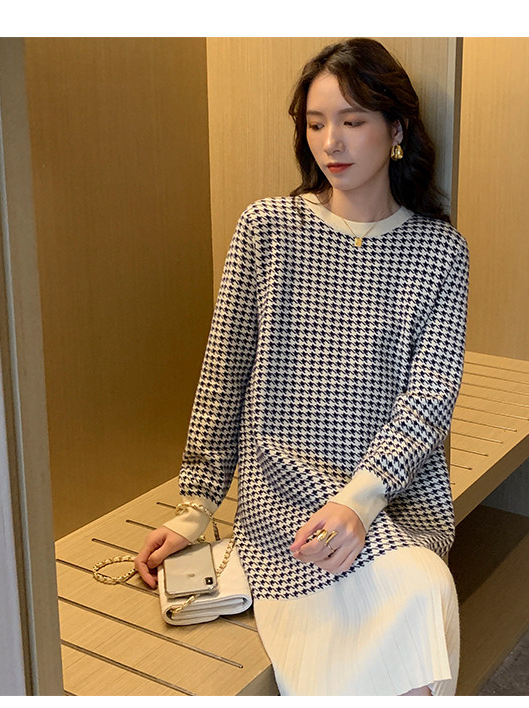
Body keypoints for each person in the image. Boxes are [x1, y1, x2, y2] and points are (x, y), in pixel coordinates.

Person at [134, 37, 469, 696]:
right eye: (316, 124)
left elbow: (428, 401)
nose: (330, 143)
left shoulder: (440, 250)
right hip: (281, 504)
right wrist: (195, 509)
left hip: (390, 502)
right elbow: (224, 372)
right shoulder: (266, 229)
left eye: (352, 120)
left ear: (396, 129)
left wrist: (359, 501)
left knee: (424, 590)